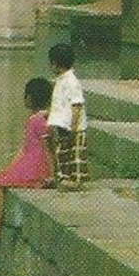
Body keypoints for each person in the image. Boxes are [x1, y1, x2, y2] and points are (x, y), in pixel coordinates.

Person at [0, 77, 55, 248]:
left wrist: (52, 175)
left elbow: (48, 149)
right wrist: (9, 169)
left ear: (29, 98)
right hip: (30, 163)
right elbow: (25, 149)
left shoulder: (39, 120)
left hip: (36, 168)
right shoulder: (36, 119)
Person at [48, 40, 90, 189]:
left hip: (74, 126)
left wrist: (74, 125)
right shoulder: (60, 80)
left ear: (55, 63)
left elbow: (76, 105)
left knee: (76, 153)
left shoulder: (72, 82)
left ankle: (77, 179)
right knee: (62, 152)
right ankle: (62, 177)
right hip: (61, 124)